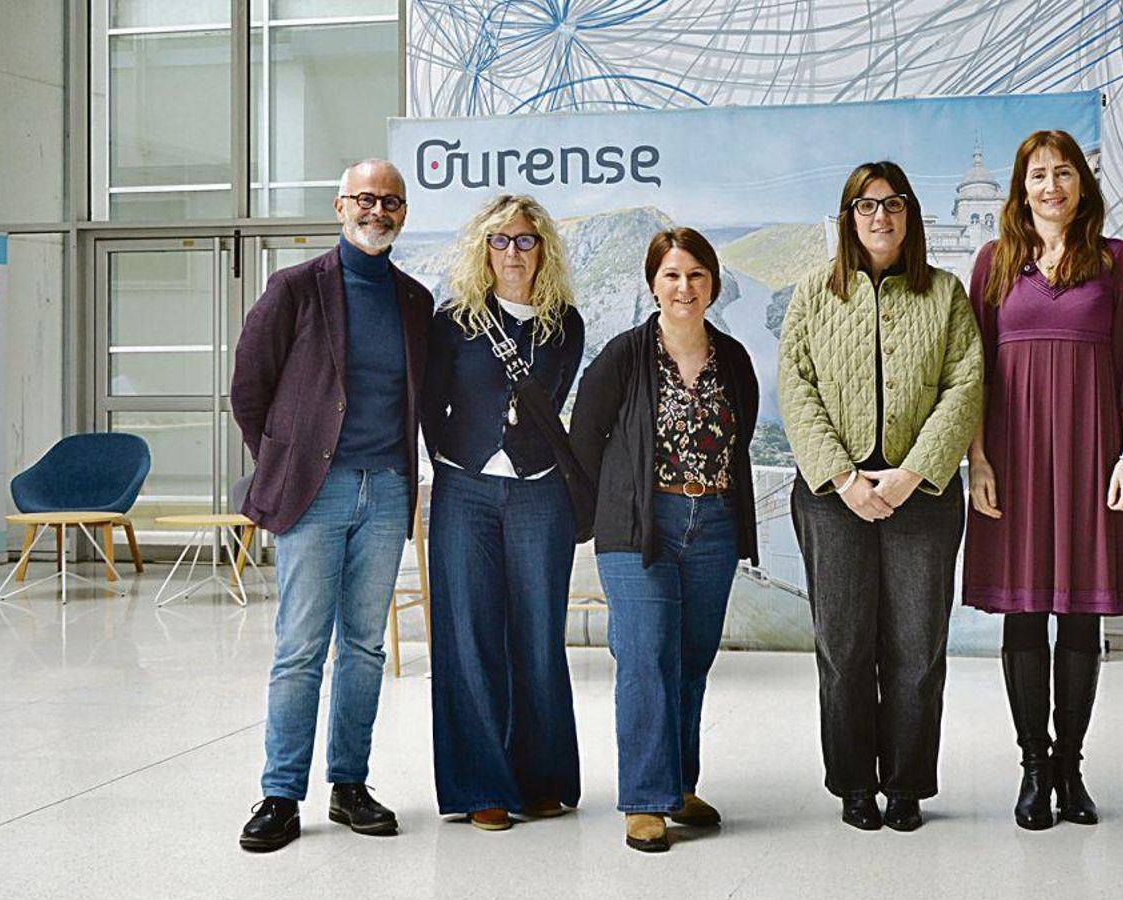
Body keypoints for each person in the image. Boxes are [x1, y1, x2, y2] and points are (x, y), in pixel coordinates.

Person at [231, 159, 432, 852]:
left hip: (387, 491)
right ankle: (280, 795)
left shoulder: (414, 300)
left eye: (392, 202)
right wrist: (287, 465)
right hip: (315, 494)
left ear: (404, 213)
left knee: (365, 647)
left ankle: (350, 786)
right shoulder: (294, 289)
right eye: (366, 199)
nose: (379, 211)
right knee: (299, 649)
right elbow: (248, 390)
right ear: (340, 205)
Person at [778, 161, 983, 833]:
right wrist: (842, 477)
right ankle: (853, 785)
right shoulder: (813, 294)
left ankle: (905, 784)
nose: (880, 217)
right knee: (842, 647)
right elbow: (796, 388)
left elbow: (965, 387)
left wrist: (912, 472)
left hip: (919, 495)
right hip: (832, 495)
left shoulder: (946, 294)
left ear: (910, 215)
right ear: (848, 218)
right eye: (866, 206)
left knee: (917, 649)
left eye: (893, 204)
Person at [961, 130, 1123, 830]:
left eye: (1063, 172)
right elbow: (972, 373)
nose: (1051, 186)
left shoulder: (1115, 260)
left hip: (1092, 453)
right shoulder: (994, 262)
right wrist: (977, 460)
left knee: (1080, 612)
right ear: (1020, 186)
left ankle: (1071, 768)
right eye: (1038, 174)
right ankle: (1032, 769)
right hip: (1011, 459)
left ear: (1082, 183)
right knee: (1023, 611)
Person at [568, 228, 760, 853]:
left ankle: (679, 784)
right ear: (654, 283)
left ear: (713, 284)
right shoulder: (624, 356)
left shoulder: (732, 359)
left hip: (714, 525)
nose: (685, 287)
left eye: (697, 275)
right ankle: (646, 799)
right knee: (647, 655)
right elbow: (586, 439)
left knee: (692, 659)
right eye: (673, 275)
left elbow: (743, 431)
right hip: (637, 530)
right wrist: (603, 516)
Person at [422, 194, 585, 831]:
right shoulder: (452, 321)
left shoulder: (564, 324)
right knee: (467, 636)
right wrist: (455, 459)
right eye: (499, 241)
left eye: (524, 241)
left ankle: (541, 780)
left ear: (542, 248)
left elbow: (556, 398)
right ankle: (480, 786)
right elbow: (431, 402)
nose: (512, 253)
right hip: (463, 491)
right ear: (482, 250)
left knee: (539, 635)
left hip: (539, 491)